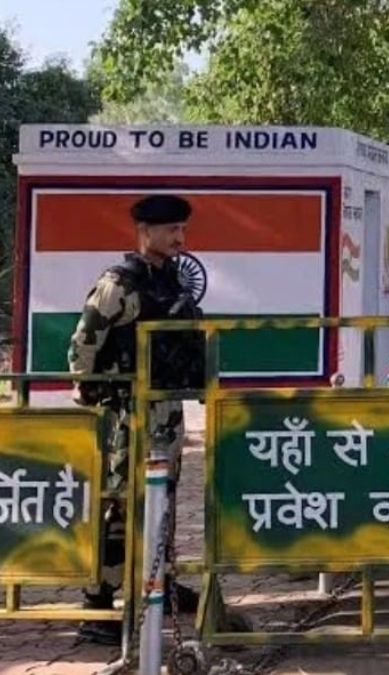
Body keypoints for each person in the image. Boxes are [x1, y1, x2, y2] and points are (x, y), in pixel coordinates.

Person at [68, 194, 205, 645]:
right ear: (145, 232)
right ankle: (99, 604)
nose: (180, 239)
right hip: (128, 413)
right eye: (171, 231)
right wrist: (91, 390)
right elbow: (83, 344)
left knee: (161, 499)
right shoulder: (119, 283)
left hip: (166, 409)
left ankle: (156, 584)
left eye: (182, 230)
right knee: (120, 503)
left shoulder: (171, 284)